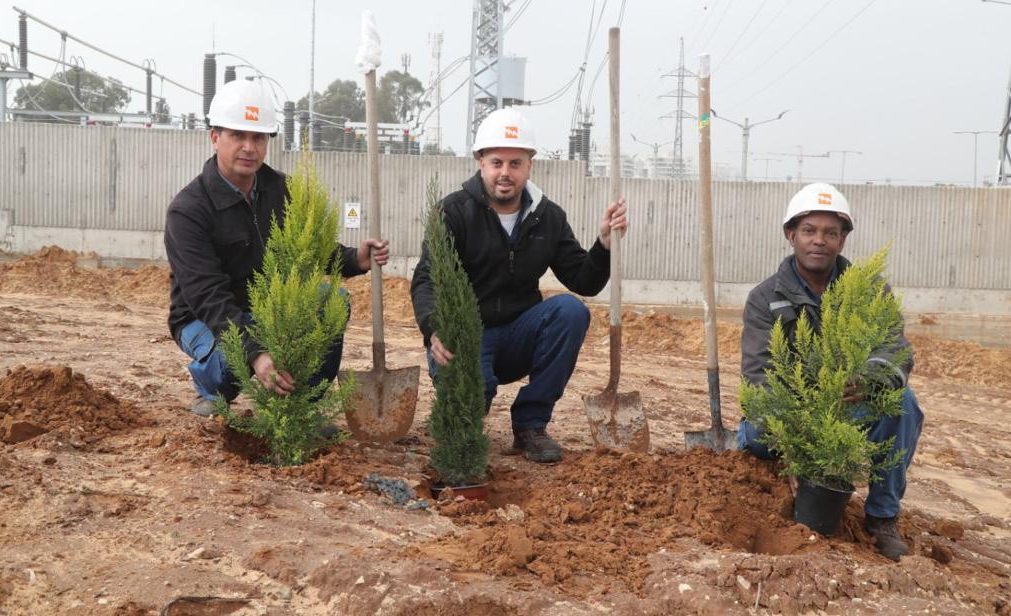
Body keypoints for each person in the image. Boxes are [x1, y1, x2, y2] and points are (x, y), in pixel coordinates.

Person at [410, 108, 628, 464]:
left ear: (530, 165)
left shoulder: (548, 217)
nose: (505, 173)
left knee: (570, 310)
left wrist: (603, 243)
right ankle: (463, 415)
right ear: (481, 162)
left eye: (515, 163)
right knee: (470, 407)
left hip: (517, 336)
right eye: (497, 162)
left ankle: (530, 426)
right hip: (465, 337)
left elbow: (583, 281)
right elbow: (426, 279)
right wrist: (434, 329)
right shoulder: (454, 212)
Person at [165, 79, 389, 417]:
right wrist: (255, 352)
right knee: (232, 360)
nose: (249, 147)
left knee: (333, 301)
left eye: (258, 137)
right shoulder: (189, 210)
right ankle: (210, 387)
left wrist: (354, 258)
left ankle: (300, 407)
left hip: (270, 308)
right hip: (204, 316)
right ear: (215, 137)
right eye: (237, 135)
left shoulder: (279, 190)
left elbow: (308, 249)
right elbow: (208, 296)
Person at [737, 182, 924, 561]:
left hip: (848, 409)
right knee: (758, 432)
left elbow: (895, 349)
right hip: (791, 413)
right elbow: (758, 374)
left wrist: (869, 379)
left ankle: (882, 517)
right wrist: (795, 431)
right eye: (809, 230)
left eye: (830, 232)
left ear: (842, 240)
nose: (818, 240)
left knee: (903, 403)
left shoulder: (868, 291)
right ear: (791, 235)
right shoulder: (765, 297)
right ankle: (781, 474)